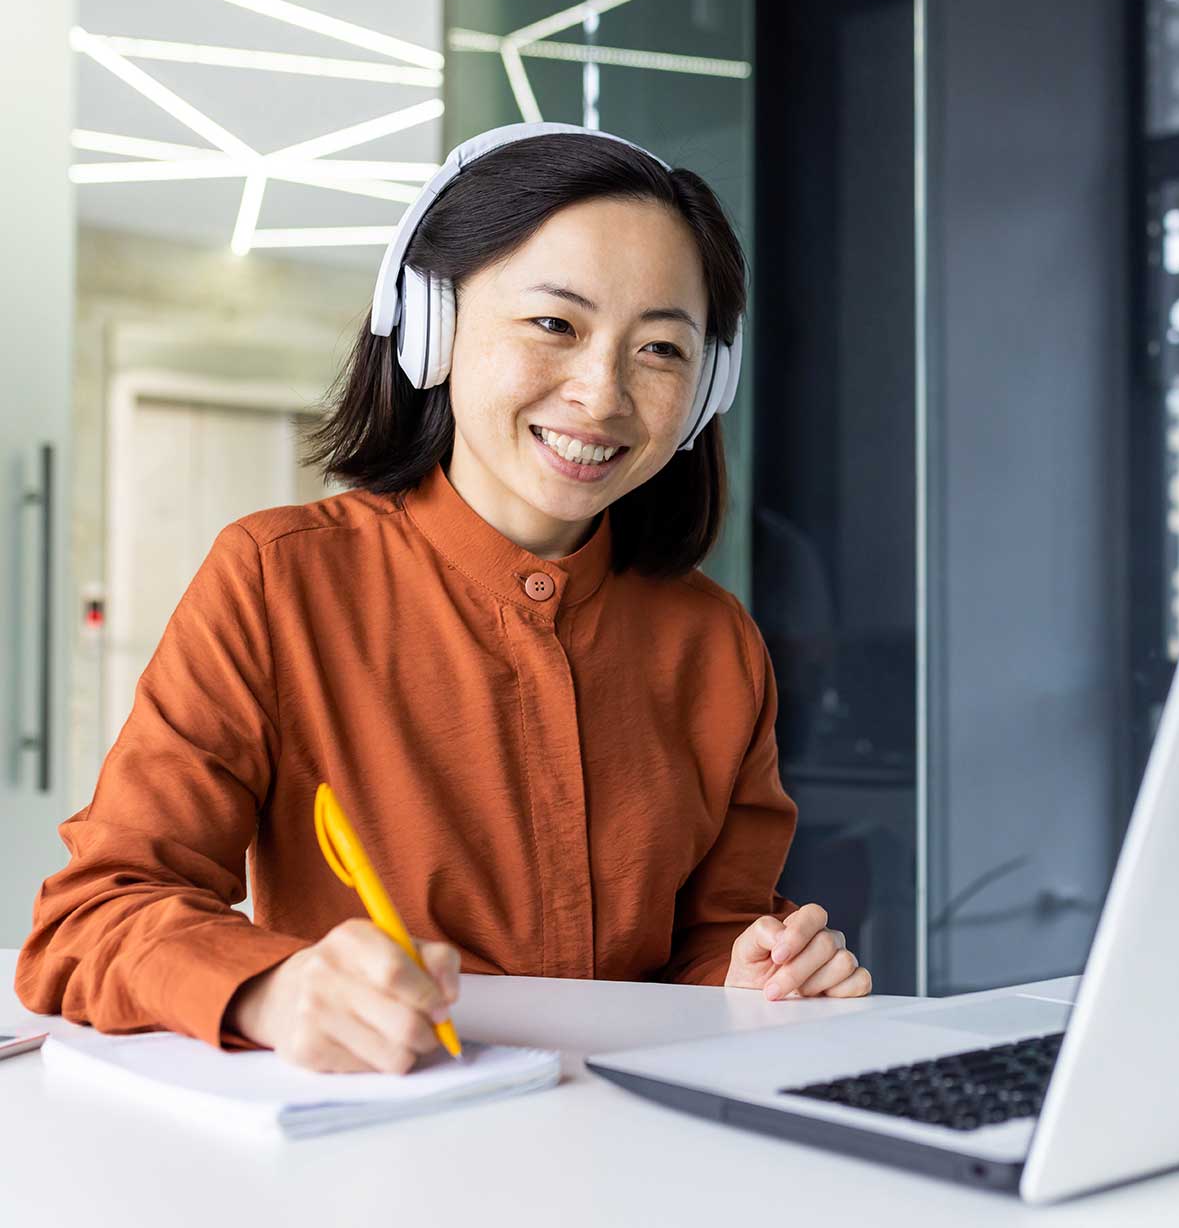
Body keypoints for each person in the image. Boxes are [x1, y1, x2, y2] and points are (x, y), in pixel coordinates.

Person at [15, 123, 871, 1076]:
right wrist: (273, 989)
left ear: (707, 387)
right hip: (382, 1147)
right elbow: (91, 918)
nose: (603, 392)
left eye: (662, 349)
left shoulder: (714, 643)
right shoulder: (276, 580)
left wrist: (755, 974)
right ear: (431, 325)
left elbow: (710, 936)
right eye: (555, 324)